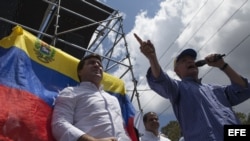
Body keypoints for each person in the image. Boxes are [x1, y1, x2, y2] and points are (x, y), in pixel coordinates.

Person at [134, 33, 250, 141]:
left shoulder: (216, 89)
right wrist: (152, 59)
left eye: (192, 60)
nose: (190, 62)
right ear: (177, 71)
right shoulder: (178, 88)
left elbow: (244, 89)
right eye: (184, 61)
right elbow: (161, 79)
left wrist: (223, 65)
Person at [51, 54, 131, 141]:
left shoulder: (114, 99)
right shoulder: (71, 92)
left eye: (100, 65)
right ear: (80, 72)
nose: (97, 65)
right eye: (91, 63)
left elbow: (122, 129)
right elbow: (59, 124)